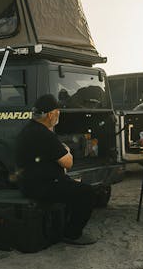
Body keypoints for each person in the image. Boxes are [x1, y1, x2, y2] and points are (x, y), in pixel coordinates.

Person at [15, 94, 96, 245]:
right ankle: (73, 234)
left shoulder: (28, 130)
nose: (59, 114)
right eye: (57, 111)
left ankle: (62, 228)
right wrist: (67, 150)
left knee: (73, 185)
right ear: (51, 114)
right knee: (87, 193)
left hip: (28, 184)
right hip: (42, 187)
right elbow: (68, 163)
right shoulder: (44, 134)